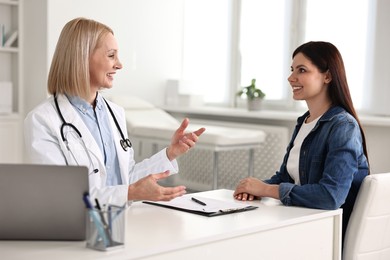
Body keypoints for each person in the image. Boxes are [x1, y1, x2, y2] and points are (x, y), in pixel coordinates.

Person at [24, 17, 205, 206]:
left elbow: (125, 179)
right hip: (78, 228)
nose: (119, 65)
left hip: (120, 222)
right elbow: (61, 194)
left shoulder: (114, 113)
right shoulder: (42, 120)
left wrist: (170, 153)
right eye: (111, 55)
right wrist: (129, 193)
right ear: (82, 57)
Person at [234, 41, 369, 240]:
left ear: (327, 76)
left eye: (302, 70)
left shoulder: (343, 126)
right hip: (303, 222)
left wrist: (267, 189)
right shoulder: (304, 122)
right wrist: (254, 188)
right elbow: (285, 178)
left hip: (326, 235)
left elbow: (331, 196)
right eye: (292, 70)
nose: (291, 78)